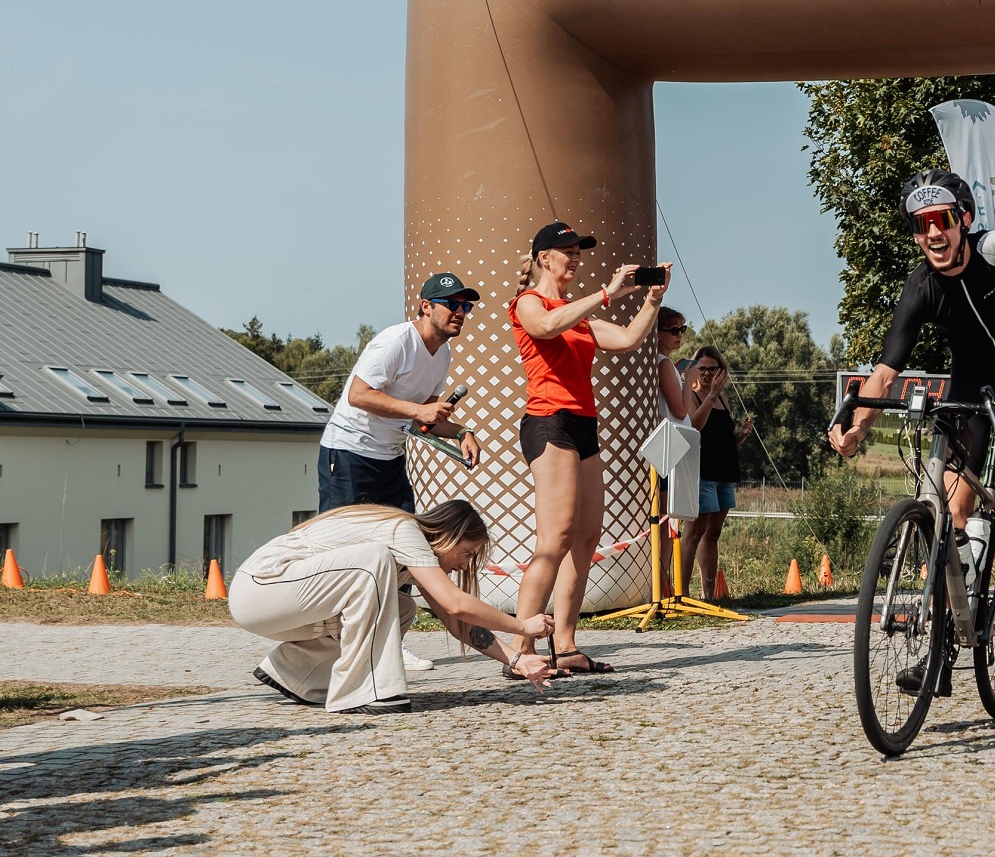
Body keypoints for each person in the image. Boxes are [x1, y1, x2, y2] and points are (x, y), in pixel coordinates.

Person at [828, 168, 995, 598]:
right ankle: (948, 619)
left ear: (963, 219)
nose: (933, 233)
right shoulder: (921, 286)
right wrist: (859, 427)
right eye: (921, 225)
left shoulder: (990, 250)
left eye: (941, 219)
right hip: (971, 387)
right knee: (950, 513)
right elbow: (886, 372)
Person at [507, 220, 670, 678]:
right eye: (568, 251)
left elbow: (629, 339)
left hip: (584, 423)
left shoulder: (579, 314)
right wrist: (606, 294)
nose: (576, 257)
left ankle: (566, 643)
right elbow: (545, 326)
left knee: (584, 539)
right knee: (554, 538)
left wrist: (652, 299)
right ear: (544, 258)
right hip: (548, 421)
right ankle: (521, 650)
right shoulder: (529, 303)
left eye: (580, 250)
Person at [230, 500, 557, 712]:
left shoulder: (414, 554)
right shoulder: (404, 531)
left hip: (279, 602)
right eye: (468, 553)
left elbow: (457, 622)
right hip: (260, 590)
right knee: (374, 559)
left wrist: (518, 659)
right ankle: (364, 692)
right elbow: (456, 604)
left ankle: (297, 673)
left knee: (400, 606)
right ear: (447, 536)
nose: (464, 565)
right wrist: (522, 626)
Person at [317, 272, 481, 515]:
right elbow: (358, 395)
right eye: (451, 304)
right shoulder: (396, 341)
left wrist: (462, 432)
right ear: (426, 306)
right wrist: (420, 410)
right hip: (350, 453)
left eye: (465, 306)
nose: (459, 312)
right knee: (341, 545)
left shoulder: (443, 352)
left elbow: (424, 421)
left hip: (391, 460)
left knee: (403, 538)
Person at [682, 345, 754, 599]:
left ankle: (709, 594)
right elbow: (695, 427)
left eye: (713, 368)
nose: (708, 373)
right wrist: (710, 396)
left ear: (721, 371)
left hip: (724, 472)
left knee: (713, 534)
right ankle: (682, 593)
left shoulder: (724, 399)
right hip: (702, 471)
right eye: (702, 368)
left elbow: (724, 439)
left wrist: (742, 435)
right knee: (694, 533)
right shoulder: (692, 396)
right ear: (694, 371)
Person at [656, 306, 691, 423]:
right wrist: (690, 379)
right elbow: (680, 412)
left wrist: (675, 371)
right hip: (673, 434)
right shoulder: (664, 363)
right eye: (674, 331)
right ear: (657, 333)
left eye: (682, 329)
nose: (680, 335)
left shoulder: (661, 362)